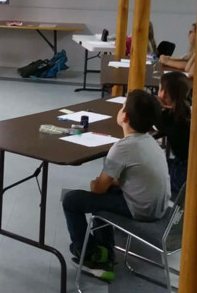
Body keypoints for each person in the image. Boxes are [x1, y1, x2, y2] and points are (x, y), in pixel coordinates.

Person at [61, 90, 170, 280]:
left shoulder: (122, 148)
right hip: (159, 207)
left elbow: (98, 188)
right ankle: (105, 252)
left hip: (141, 210)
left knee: (72, 201)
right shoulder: (150, 141)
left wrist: (95, 182)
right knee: (107, 195)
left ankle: (89, 254)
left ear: (124, 116)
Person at [157, 72, 192, 196]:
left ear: (164, 93)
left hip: (184, 177)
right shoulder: (186, 112)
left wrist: (157, 105)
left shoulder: (170, 119)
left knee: (142, 171)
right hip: (191, 168)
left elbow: (149, 121)